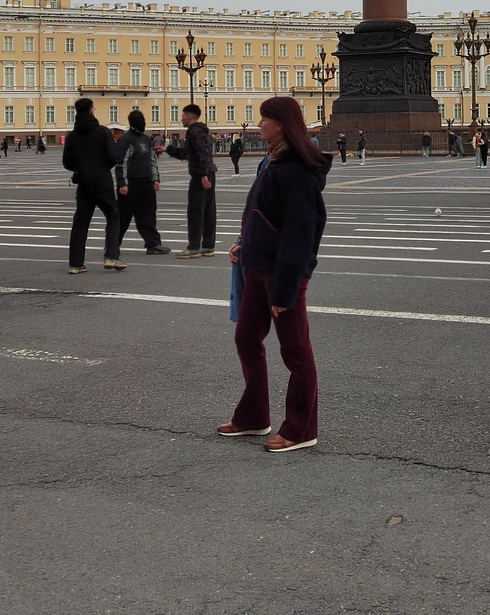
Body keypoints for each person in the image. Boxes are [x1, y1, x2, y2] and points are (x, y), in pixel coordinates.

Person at [219, 96, 331, 453]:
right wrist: (245, 243)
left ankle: (301, 428)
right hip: (259, 265)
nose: (258, 124)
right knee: (246, 338)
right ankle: (254, 416)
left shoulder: (296, 168)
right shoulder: (272, 161)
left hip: (283, 275)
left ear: (280, 123)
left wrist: (284, 290)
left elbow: (301, 233)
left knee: (296, 353)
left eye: (264, 119)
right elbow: (261, 213)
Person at [62, 98, 125, 274]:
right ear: (91, 111)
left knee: (80, 222)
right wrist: (102, 167)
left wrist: (80, 168)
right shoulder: (103, 132)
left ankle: (75, 264)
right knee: (113, 216)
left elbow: (66, 162)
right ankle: (112, 256)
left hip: (83, 183)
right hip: (102, 181)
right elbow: (114, 156)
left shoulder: (72, 136)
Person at [156, 104, 217, 258]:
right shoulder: (201, 130)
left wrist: (202, 175)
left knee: (195, 211)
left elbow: (200, 153)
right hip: (209, 172)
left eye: (183, 116)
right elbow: (188, 153)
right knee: (208, 210)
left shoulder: (193, 131)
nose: (181, 118)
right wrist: (167, 149)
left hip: (201, 175)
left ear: (189, 117)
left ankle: (194, 247)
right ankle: (208, 246)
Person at [115, 110, 171, 255]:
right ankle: (112, 244)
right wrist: (122, 183)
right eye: (140, 121)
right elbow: (121, 163)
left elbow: (152, 161)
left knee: (149, 215)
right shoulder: (126, 140)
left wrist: (155, 179)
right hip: (130, 185)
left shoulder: (146, 139)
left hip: (146, 184)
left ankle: (153, 244)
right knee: (123, 217)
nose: (143, 123)